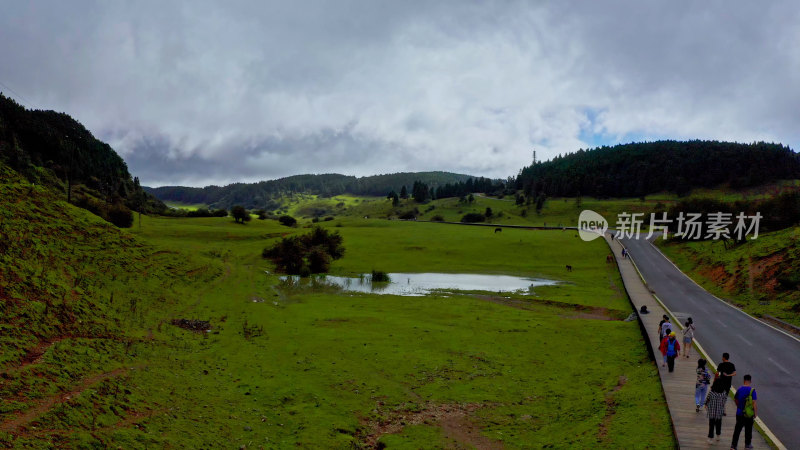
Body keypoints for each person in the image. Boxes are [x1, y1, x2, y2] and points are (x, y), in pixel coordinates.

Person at [730, 374, 757, 450]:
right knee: (748, 429)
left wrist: (739, 406)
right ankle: (747, 445)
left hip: (739, 412)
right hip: (748, 414)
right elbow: (754, 403)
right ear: (750, 381)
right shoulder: (752, 390)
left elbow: (735, 399)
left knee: (737, 429)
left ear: (744, 380)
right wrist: (755, 413)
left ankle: (733, 445)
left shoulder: (739, 389)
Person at [705, 377, 727, 443]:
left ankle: (710, 438)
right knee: (718, 423)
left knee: (711, 425)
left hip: (712, 411)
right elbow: (724, 402)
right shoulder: (724, 393)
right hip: (719, 412)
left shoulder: (711, 392)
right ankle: (718, 435)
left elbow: (707, 399)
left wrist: (706, 405)